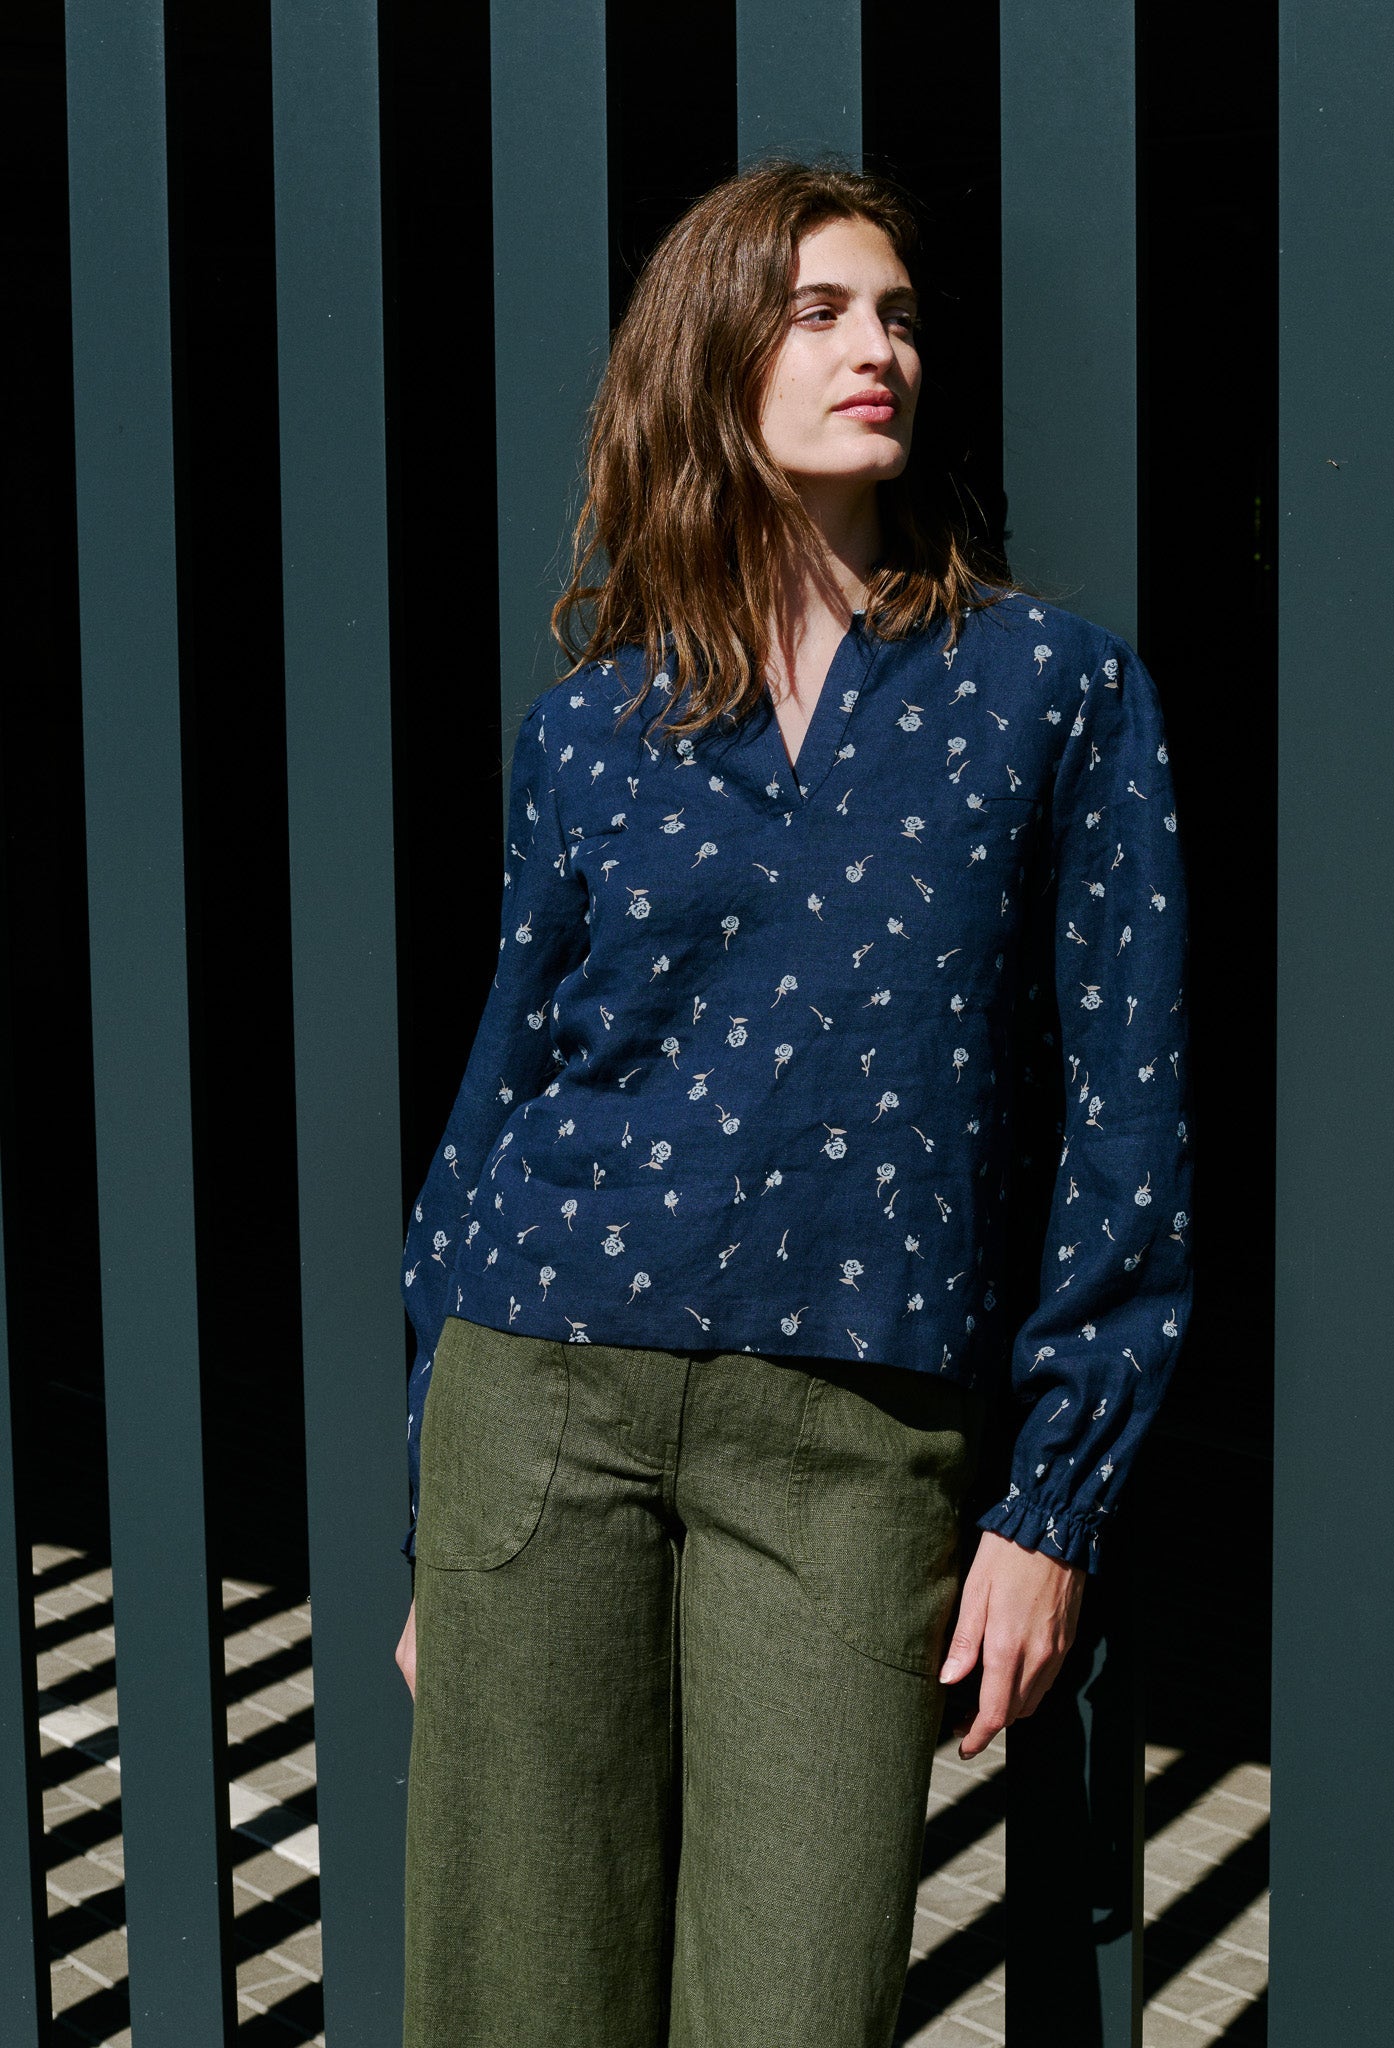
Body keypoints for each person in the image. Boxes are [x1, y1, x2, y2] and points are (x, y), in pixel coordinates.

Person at [393, 156, 1194, 2048]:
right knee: (512, 2002)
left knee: (796, 2004)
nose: (875, 350)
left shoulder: (1050, 693)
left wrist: (1051, 1505)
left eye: (895, 314)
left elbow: (1126, 1118)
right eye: (818, 312)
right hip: (542, 1405)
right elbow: (503, 1089)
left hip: (851, 1441)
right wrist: (433, 1500)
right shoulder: (597, 722)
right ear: (708, 360)